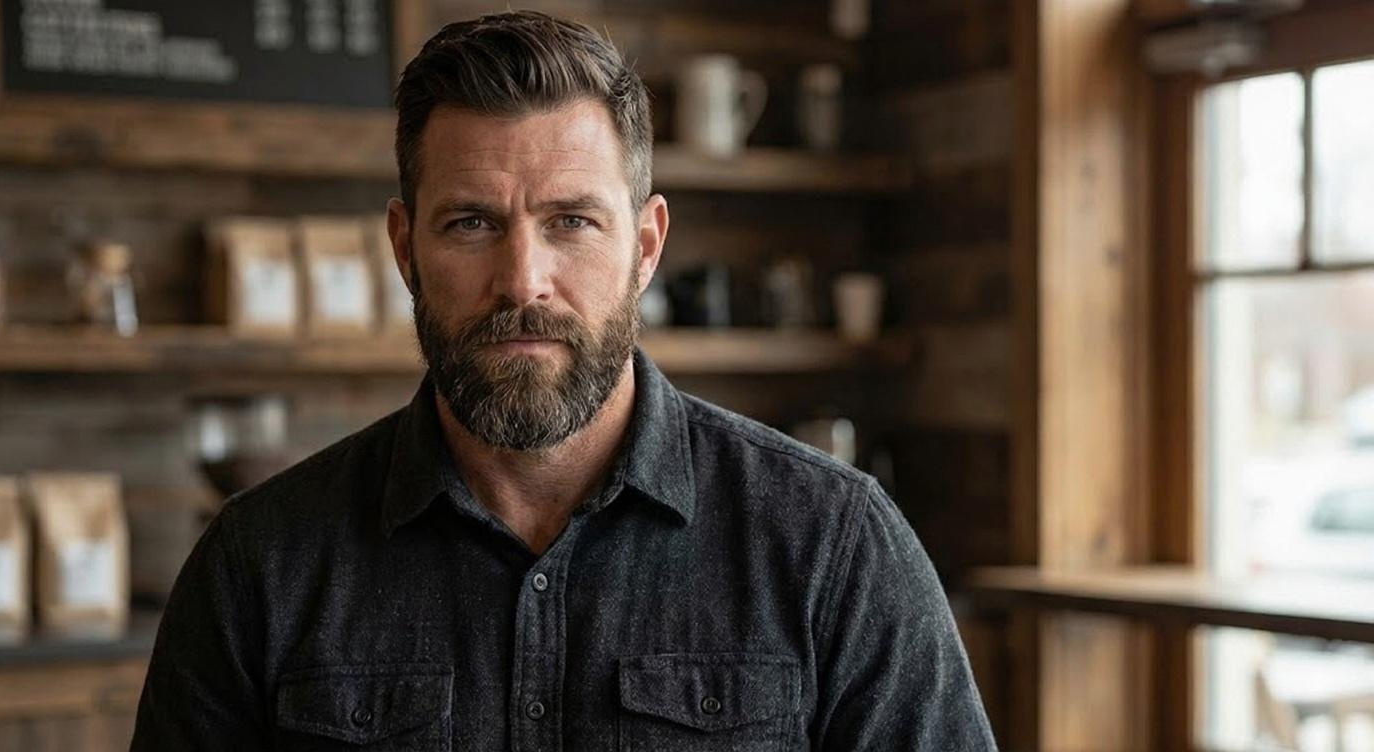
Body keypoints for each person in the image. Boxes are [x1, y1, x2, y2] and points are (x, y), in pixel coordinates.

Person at [130, 10, 996, 751]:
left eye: (572, 221)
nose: (522, 280)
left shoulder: (833, 548)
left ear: (647, 247)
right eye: (470, 223)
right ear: (404, 249)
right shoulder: (259, 568)